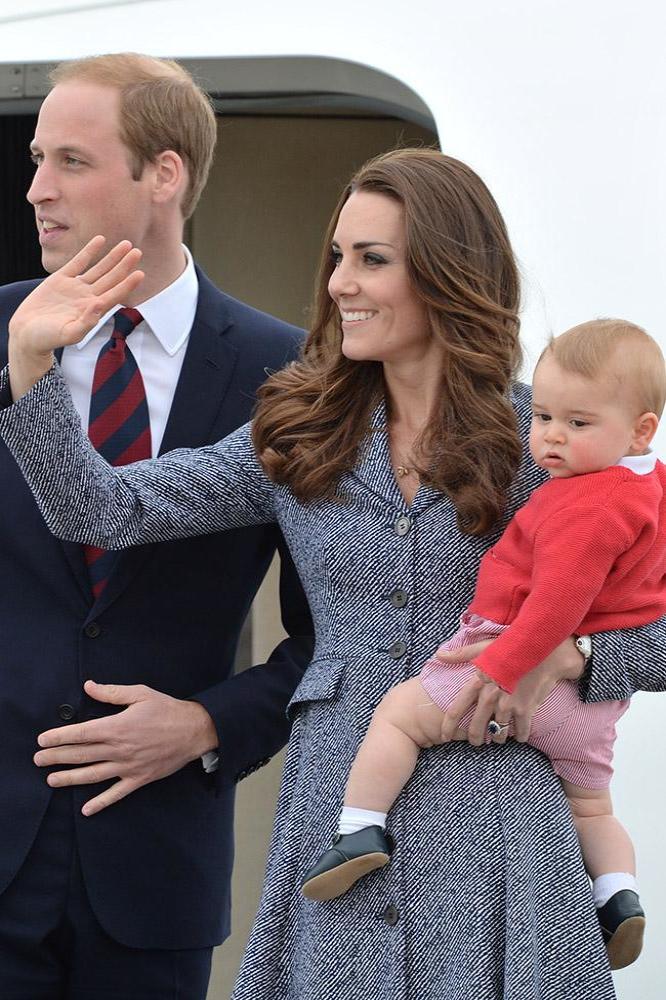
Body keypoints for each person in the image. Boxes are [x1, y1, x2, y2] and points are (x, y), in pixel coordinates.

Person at [2, 148, 666, 1000]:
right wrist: (31, 368)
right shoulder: (300, 432)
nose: (341, 283)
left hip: (500, 842)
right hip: (338, 831)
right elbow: (104, 512)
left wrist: (569, 657)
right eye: (338, 257)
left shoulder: (546, 440)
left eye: (373, 260)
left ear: (448, 274)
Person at [0, 52, 312, 999]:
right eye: (36, 160)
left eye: (71, 162)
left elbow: (339, 631)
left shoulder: (286, 376)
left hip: (156, 876)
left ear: (164, 174)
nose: (36, 191)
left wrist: (205, 726)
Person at [300, 318, 665, 971]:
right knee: (592, 805)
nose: (551, 435)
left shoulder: (587, 503)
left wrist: (505, 666)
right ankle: (618, 896)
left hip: (514, 666)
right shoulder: (648, 490)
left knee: (400, 718)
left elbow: (556, 602)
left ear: (641, 428)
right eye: (546, 416)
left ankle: (357, 828)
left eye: (577, 424)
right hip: (594, 711)